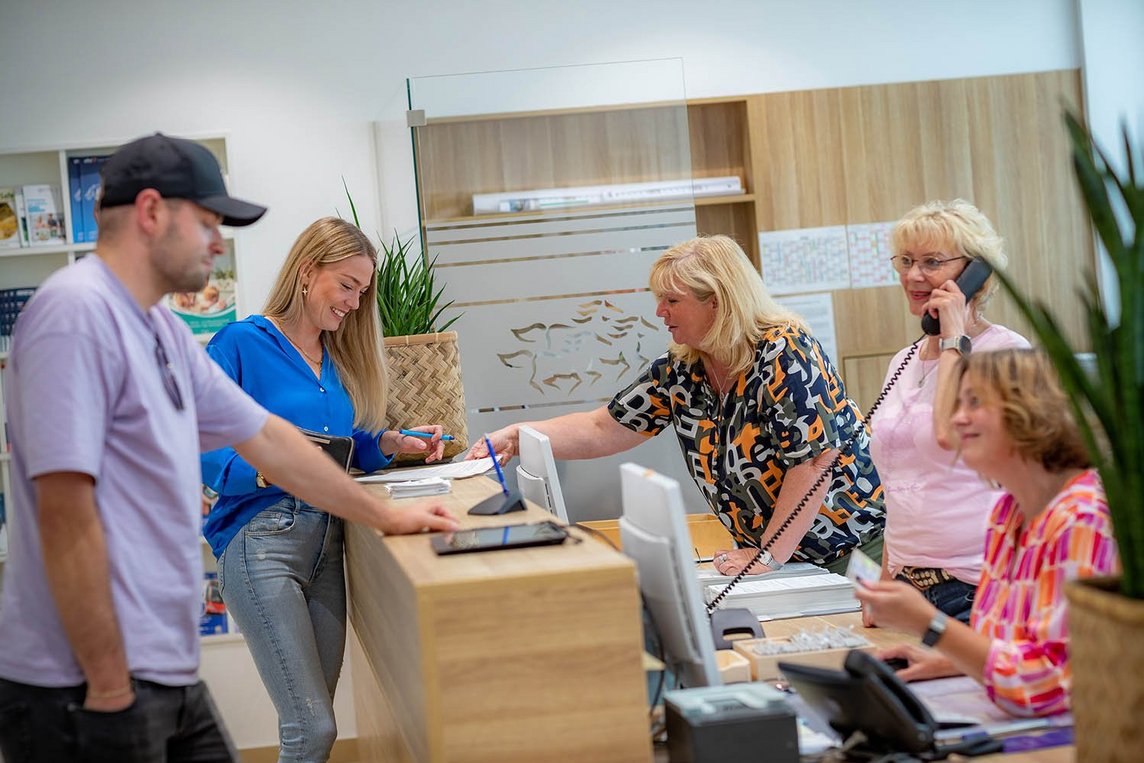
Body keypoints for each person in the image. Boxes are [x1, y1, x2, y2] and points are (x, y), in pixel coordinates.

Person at [0, 134, 457, 763]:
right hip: (82, 680)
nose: (219, 243)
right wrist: (108, 684)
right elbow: (64, 512)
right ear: (153, 212)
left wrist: (388, 515)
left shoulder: (158, 327)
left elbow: (269, 438)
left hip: (158, 662)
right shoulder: (75, 315)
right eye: (209, 223)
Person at [471, 234, 885, 576]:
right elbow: (604, 428)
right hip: (784, 562)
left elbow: (814, 461)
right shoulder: (683, 369)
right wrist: (518, 435)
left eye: (671, 300)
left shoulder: (784, 351)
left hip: (854, 547)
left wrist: (767, 554)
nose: (659, 312)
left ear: (717, 302)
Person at [200, 216, 446, 762]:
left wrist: (391, 443)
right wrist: (273, 468)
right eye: (346, 286)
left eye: (363, 291)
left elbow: (336, 445)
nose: (355, 304)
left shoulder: (332, 359)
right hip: (262, 542)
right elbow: (202, 446)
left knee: (318, 724)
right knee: (310, 729)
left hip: (327, 546)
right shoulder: (243, 341)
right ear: (307, 272)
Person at [857, 349, 1119, 717]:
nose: (957, 419)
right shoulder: (1006, 512)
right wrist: (950, 661)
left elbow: (1045, 685)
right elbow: (1012, 646)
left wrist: (930, 626)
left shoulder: (1082, 518)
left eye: (974, 403)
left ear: (1030, 410)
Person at [868, 200, 1029, 625]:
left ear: (975, 273)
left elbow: (949, 435)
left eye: (932, 262)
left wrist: (954, 336)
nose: (914, 276)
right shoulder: (903, 360)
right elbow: (898, 482)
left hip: (973, 586)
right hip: (905, 586)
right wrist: (885, 585)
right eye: (906, 261)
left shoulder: (1006, 353)